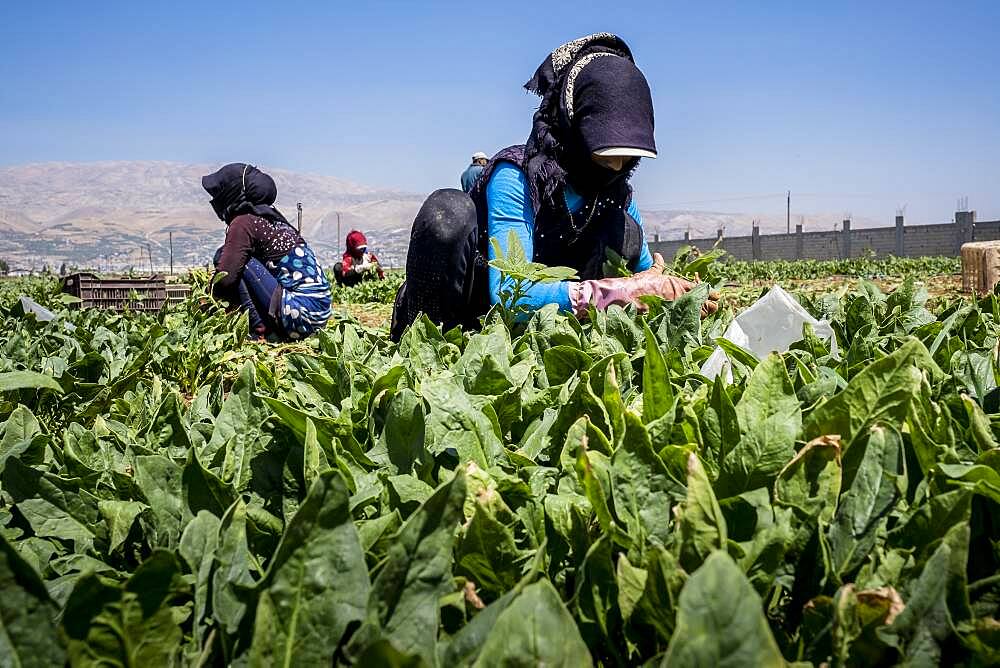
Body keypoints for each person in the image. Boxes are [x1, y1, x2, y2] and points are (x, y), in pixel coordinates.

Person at [391, 33, 719, 341]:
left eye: (628, 156)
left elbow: (645, 275)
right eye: (606, 153)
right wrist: (618, 293)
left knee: (625, 227)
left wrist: (678, 295)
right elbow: (508, 291)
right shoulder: (517, 177)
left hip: (543, 327)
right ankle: (426, 341)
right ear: (573, 127)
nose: (617, 168)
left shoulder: (616, 195)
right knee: (447, 214)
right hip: (474, 308)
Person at [202, 163, 332, 341]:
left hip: (300, 316)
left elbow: (226, 278)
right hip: (319, 317)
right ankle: (267, 326)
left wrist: (207, 297)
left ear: (230, 194)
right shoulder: (275, 220)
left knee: (226, 256)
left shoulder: (244, 222)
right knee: (237, 258)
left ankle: (260, 331)